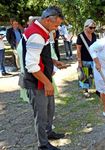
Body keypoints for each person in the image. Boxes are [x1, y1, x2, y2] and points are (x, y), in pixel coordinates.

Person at [17, 6, 66, 150]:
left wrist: (52, 60)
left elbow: (37, 53)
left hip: (43, 80)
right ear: (46, 20)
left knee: (50, 108)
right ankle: (43, 145)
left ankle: (48, 132)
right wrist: (47, 83)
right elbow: (31, 65)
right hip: (36, 83)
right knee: (41, 114)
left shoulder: (41, 31)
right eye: (56, 25)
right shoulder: (36, 34)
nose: (56, 28)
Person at [76, 19, 97, 97]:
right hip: (84, 59)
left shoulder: (94, 35)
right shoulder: (81, 36)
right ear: (85, 27)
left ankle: (97, 89)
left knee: (95, 74)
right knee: (85, 75)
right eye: (91, 27)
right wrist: (79, 61)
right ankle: (85, 90)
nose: (93, 29)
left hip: (93, 59)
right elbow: (78, 50)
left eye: (94, 28)